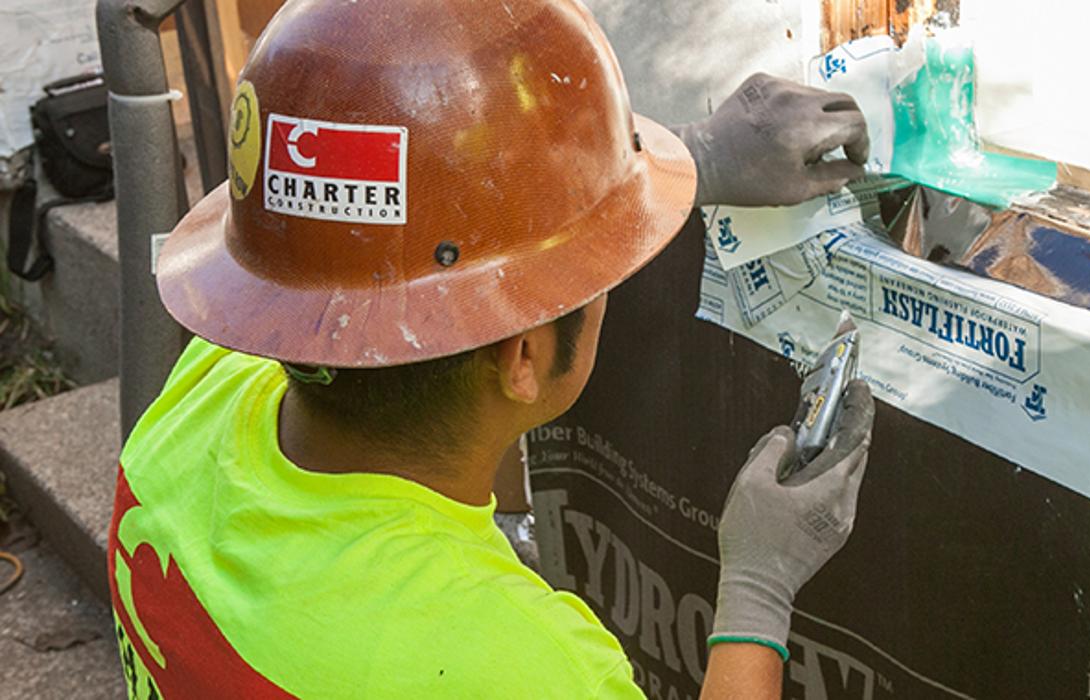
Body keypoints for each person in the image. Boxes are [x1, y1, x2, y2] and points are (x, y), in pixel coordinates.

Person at [109, 0, 875, 697]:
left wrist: (684, 164)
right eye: (594, 274)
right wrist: (756, 591)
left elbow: (357, 252)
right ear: (524, 359)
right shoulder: (514, 664)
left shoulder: (200, 395)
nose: (604, 281)